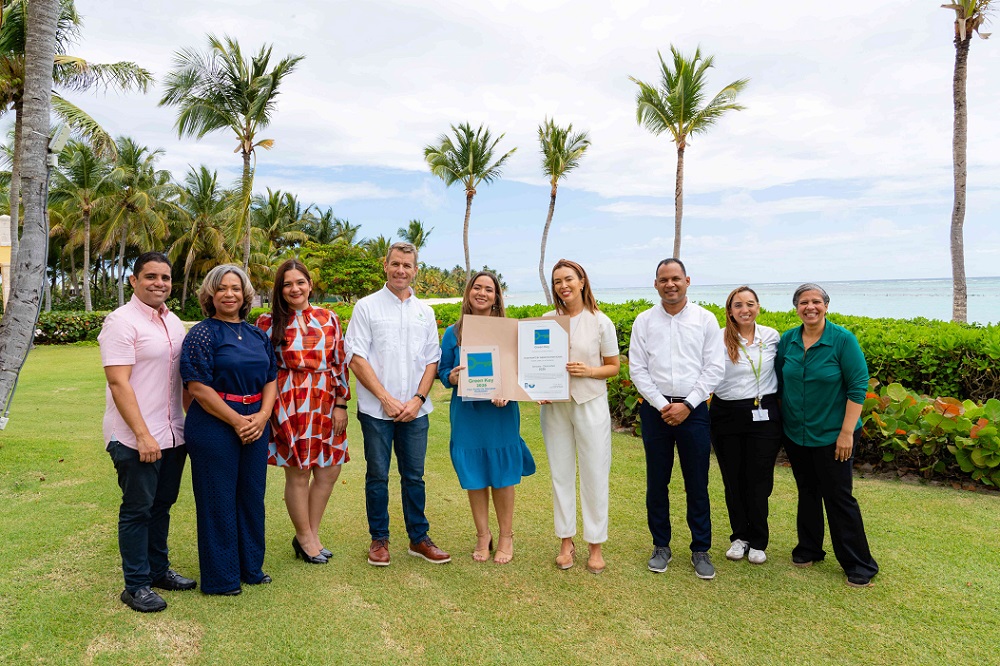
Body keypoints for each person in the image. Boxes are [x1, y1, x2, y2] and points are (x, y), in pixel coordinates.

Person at [99, 251, 196, 613]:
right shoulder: (121, 323)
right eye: (151, 276)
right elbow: (118, 382)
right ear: (133, 280)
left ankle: (158, 570)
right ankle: (135, 585)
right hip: (135, 436)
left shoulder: (174, 322)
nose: (159, 283)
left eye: (165, 278)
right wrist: (142, 435)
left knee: (162, 506)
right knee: (138, 510)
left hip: (173, 433)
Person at [345, 242, 450, 566]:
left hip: (415, 411)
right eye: (396, 264)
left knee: (414, 476)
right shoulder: (367, 307)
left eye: (407, 265)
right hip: (378, 411)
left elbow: (432, 360)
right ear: (386, 266)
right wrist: (387, 400)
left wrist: (418, 400)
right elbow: (356, 357)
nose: (401, 270)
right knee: (377, 475)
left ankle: (418, 538)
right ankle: (379, 540)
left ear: (415, 269)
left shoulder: (425, 312)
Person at [180, 264, 277, 595]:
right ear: (210, 294)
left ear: (245, 293)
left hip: (256, 422)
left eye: (235, 288)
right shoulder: (202, 333)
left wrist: (263, 416)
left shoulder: (257, 335)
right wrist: (236, 420)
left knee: (252, 497)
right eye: (221, 288)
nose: (229, 294)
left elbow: (270, 379)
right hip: (214, 424)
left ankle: (251, 568)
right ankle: (222, 578)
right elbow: (198, 387)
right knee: (217, 499)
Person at [776, 283, 879, 587]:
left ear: (826, 306)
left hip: (836, 435)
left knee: (838, 497)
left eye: (816, 302)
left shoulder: (842, 340)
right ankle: (809, 548)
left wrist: (846, 432)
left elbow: (858, 386)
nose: (810, 307)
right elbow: (781, 382)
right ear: (796, 308)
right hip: (797, 433)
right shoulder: (788, 341)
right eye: (804, 302)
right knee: (807, 491)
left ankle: (859, 564)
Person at [629, 258, 725, 579]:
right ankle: (661, 545)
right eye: (663, 279)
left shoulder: (706, 319)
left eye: (676, 278)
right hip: (655, 412)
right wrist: (660, 404)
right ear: (655, 284)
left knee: (696, 481)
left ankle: (701, 549)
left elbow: (714, 367)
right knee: (657, 481)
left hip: (694, 411)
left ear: (687, 281)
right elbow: (637, 369)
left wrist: (687, 404)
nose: (670, 284)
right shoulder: (643, 321)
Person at [437, 271, 535, 564]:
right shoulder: (452, 333)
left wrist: (510, 390)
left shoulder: (509, 329)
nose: (482, 293)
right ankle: (483, 534)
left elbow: (520, 370)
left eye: (488, 289)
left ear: (496, 297)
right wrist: (451, 377)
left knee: (503, 473)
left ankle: (506, 535)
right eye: (476, 287)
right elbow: (442, 371)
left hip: (501, 412)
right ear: (468, 292)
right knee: (475, 473)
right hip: (468, 412)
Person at [257, 259, 350, 565]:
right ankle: (307, 538)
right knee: (298, 471)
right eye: (287, 284)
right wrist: (269, 411)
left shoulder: (328, 318)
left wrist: (341, 404)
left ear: (310, 284)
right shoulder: (267, 323)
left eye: (300, 282)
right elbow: (264, 370)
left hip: (324, 399)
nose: (294, 288)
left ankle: (309, 533)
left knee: (328, 469)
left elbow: (338, 363)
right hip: (289, 400)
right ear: (279, 290)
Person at [540, 259, 620, 575]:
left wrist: (588, 371)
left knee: (594, 474)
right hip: (556, 407)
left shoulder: (601, 322)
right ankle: (565, 541)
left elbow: (613, 366)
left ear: (582, 281)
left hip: (591, 403)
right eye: (558, 281)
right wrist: (538, 388)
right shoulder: (546, 321)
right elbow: (534, 365)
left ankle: (596, 545)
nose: (563, 286)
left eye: (569, 279)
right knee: (560, 473)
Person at [710, 286, 782, 565]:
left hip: (764, 414)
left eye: (750, 304)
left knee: (759, 480)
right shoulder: (717, 338)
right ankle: (739, 537)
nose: (745, 309)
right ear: (730, 311)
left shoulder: (772, 337)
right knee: (734, 479)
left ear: (758, 307)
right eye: (738, 305)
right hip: (726, 413)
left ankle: (759, 540)